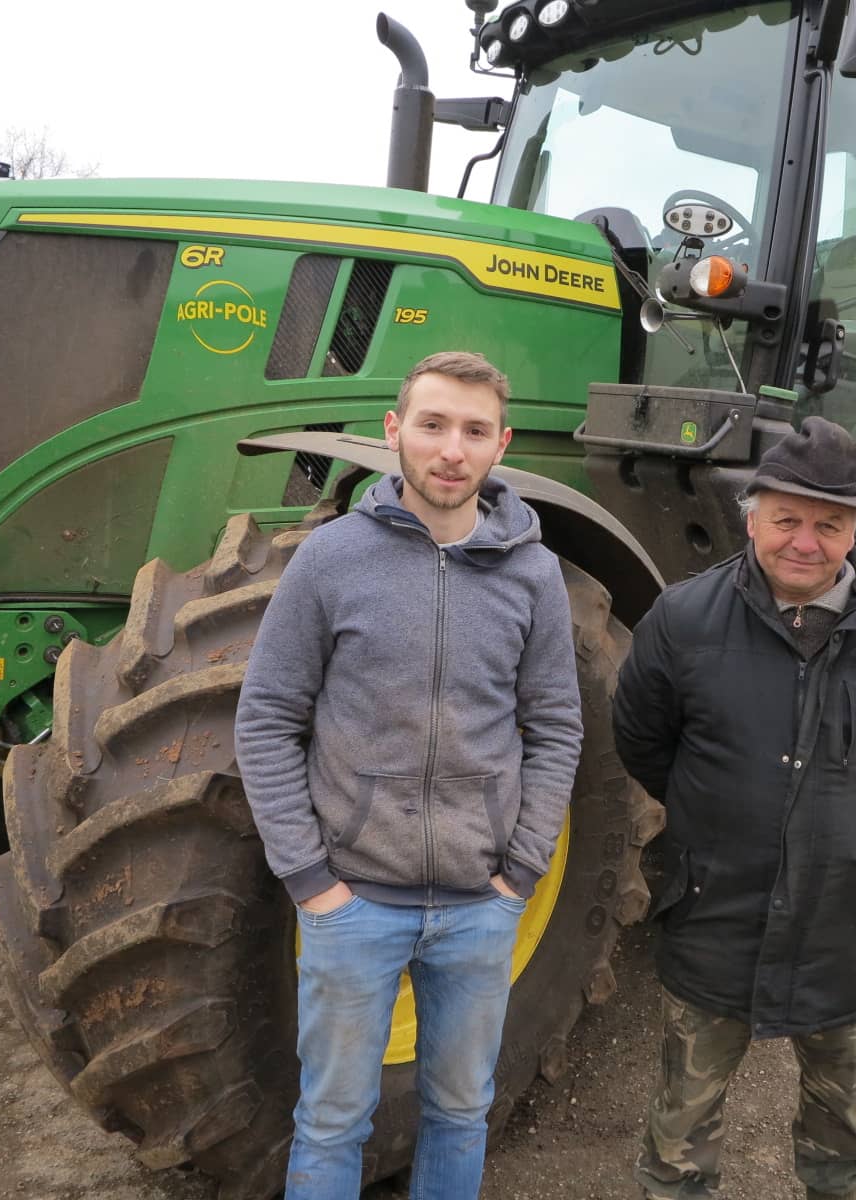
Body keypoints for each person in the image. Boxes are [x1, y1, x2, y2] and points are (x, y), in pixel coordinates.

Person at [234, 350, 584, 1200]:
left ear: (501, 446)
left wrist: (520, 875)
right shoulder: (330, 560)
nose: (450, 451)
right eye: (432, 426)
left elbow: (557, 726)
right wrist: (311, 879)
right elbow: (268, 716)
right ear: (395, 433)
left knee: (461, 1112)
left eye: (473, 431)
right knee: (331, 1122)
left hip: (478, 910)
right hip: (353, 905)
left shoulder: (533, 575)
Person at [613, 416, 856, 1200]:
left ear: (855, 530)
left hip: (845, 929)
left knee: (843, 1140)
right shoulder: (683, 620)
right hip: (715, 914)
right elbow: (642, 739)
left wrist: (846, 828)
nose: (805, 542)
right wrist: (722, 814)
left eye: (828, 525)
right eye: (787, 520)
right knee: (679, 1136)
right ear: (752, 516)